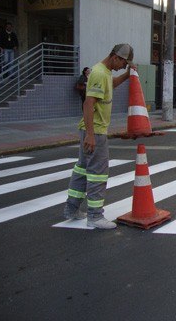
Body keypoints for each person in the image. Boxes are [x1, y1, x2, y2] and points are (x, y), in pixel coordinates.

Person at [63, 43, 134, 229]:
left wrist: (127, 75)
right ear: (115, 57)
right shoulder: (100, 73)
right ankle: (95, 216)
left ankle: (72, 209)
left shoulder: (105, 73)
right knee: (98, 174)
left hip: (90, 130)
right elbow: (88, 103)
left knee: (82, 169)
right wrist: (91, 135)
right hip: (95, 130)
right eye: (123, 64)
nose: (123, 67)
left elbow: (112, 85)